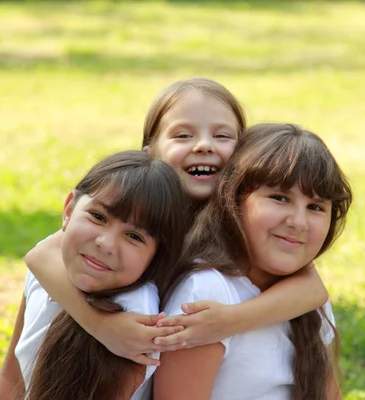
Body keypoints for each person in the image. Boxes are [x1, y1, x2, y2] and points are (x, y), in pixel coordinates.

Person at [23, 78, 331, 366]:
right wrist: (104, 327)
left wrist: (229, 321)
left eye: (222, 136)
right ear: (150, 152)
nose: (204, 145)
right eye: (183, 135)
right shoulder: (132, 207)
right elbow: (41, 255)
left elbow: (312, 289)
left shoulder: (243, 226)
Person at [154, 123, 352, 400]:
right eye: (280, 198)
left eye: (316, 207)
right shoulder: (208, 292)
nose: (298, 222)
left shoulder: (305, 297)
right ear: (234, 198)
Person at [0, 151, 189, 399]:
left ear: (156, 257)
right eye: (98, 217)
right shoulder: (49, 268)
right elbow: (12, 375)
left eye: (134, 236)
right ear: (68, 210)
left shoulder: (135, 320)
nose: (106, 243)